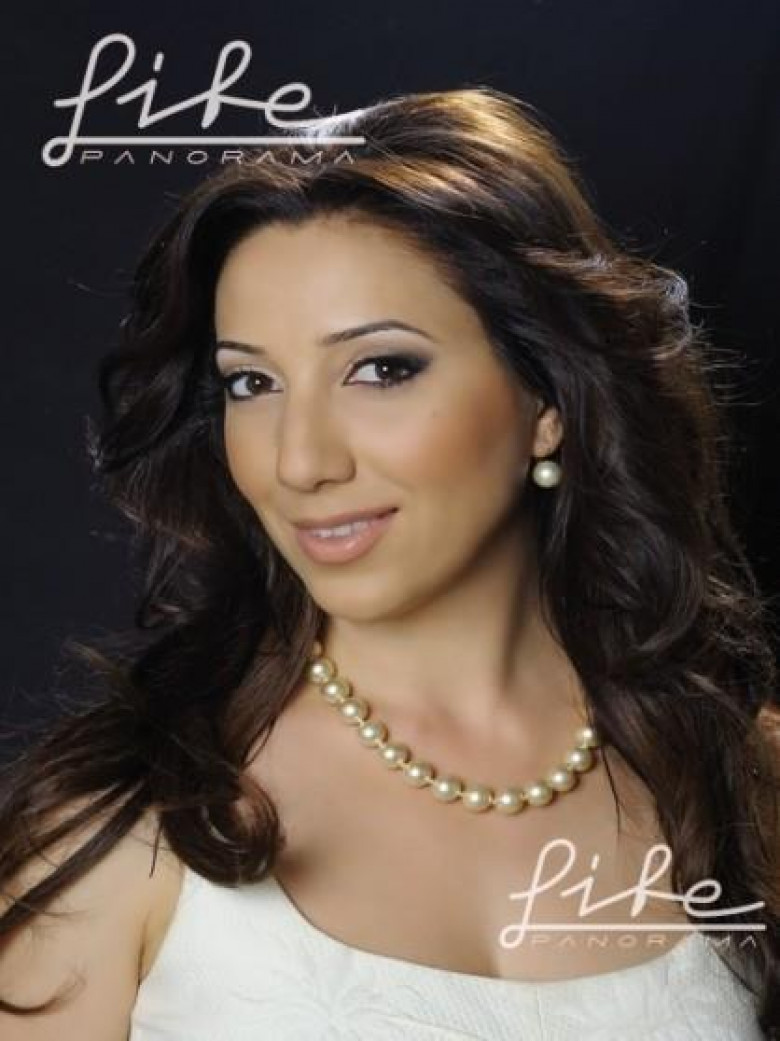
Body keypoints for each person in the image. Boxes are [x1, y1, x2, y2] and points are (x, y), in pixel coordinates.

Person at [0, 86, 777, 1040]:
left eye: (380, 369)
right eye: (252, 382)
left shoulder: (743, 787)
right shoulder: (121, 827)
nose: (300, 461)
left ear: (547, 399)